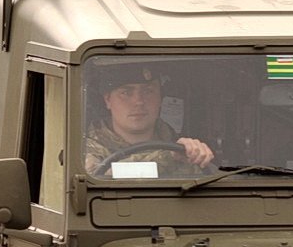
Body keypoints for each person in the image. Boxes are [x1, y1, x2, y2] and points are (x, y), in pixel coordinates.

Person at [84, 63, 215, 176]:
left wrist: (197, 154)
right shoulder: (85, 149)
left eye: (148, 91)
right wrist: (168, 158)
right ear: (108, 100)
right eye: (126, 93)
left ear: (160, 98)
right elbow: (100, 176)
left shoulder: (178, 145)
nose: (139, 101)